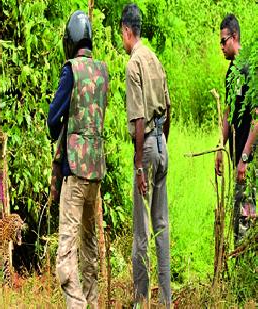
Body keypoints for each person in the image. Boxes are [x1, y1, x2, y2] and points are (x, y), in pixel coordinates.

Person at [47, 10, 108, 309]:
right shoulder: (102, 71)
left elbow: (52, 120)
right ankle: (93, 303)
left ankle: (77, 305)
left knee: (66, 256)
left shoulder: (71, 70)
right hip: (96, 172)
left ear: (70, 41)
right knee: (90, 248)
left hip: (73, 173)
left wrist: (60, 128)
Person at [120, 4, 171, 307]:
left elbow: (138, 120)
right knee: (162, 226)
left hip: (146, 149)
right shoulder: (155, 59)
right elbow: (169, 106)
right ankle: (166, 300)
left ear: (127, 31)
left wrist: (140, 166)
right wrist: (163, 145)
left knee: (141, 230)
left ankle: (141, 300)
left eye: (122, 35)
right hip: (162, 145)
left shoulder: (134, 64)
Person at [215, 14, 257, 245]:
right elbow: (228, 113)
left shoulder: (250, 69)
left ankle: (245, 271)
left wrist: (244, 157)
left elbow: (256, 119)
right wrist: (220, 148)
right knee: (238, 212)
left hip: (249, 160)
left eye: (223, 41)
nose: (221, 46)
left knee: (247, 215)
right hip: (237, 155)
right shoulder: (232, 72)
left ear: (235, 37)